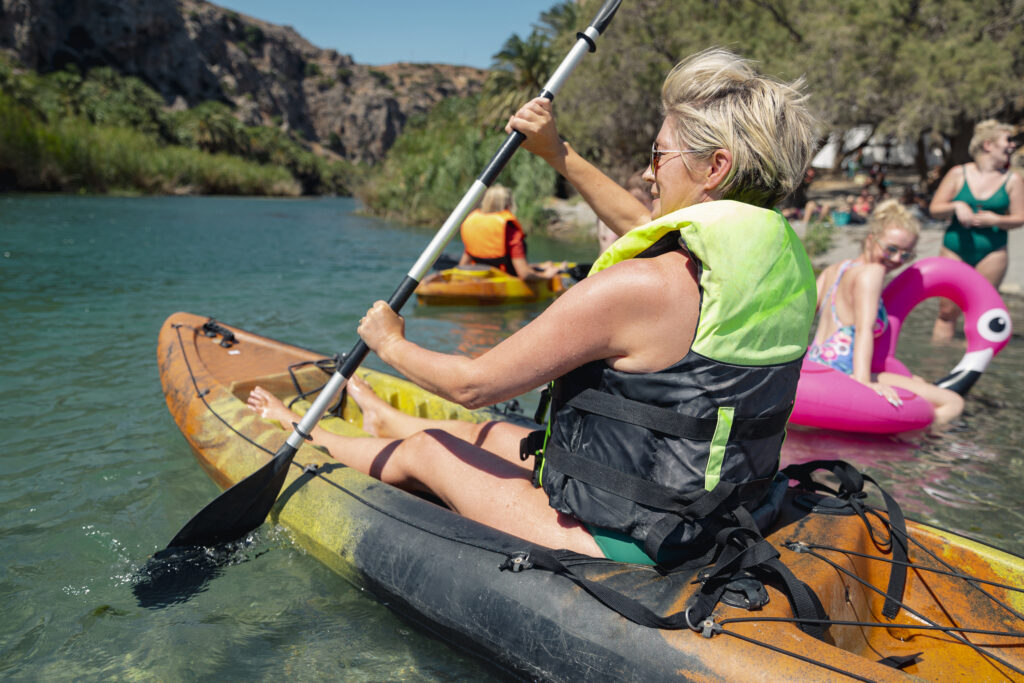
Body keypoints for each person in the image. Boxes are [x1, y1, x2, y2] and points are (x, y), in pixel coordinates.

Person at [247, 48, 819, 565]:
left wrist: (388, 340)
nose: (648, 171)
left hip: (630, 543)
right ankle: (382, 419)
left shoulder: (643, 287)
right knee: (497, 438)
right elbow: (647, 227)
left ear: (714, 168)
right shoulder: (776, 269)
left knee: (431, 449)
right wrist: (556, 150)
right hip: (722, 514)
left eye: (659, 154)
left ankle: (306, 435)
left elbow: (473, 386)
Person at [809, 200, 964, 428]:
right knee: (953, 403)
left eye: (906, 255)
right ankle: (917, 452)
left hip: (816, 362)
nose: (895, 260)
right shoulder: (872, 272)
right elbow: (863, 329)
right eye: (890, 249)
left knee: (917, 382)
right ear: (871, 239)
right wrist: (863, 383)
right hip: (846, 370)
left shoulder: (835, 269)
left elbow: (807, 316)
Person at [930, 120, 1024, 341]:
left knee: (981, 311)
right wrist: (956, 205)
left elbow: (1021, 218)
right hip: (954, 248)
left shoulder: (1013, 179)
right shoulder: (957, 173)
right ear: (988, 145)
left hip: (992, 252)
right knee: (946, 311)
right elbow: (935, 209)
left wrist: (997, 219)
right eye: (1008, 140)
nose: (1012, 146)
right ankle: (936, 364)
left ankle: (974, 368)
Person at [458, 184, 564, 281]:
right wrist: (546, 275)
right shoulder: (510, 229)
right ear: (509, 205)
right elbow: (524, 275)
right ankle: (554, 268)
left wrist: (539, 267)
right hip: (505, 280)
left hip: (483, 277)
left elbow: (463, 265)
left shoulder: (473, 222)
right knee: (551, 270)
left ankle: (545, 266)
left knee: (546, 265)